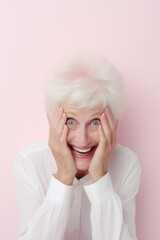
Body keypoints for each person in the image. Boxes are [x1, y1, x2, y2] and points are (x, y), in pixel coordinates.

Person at [14, 52, 142, 240]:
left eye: (95, 122)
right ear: (51, 121)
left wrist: (100, 178)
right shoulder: (29, 163)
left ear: (114, 125)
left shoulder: (128, 164)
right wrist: (63, 176)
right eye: (71, 121)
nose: (82, 140)